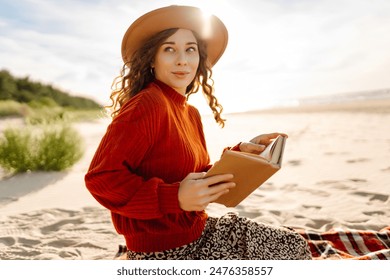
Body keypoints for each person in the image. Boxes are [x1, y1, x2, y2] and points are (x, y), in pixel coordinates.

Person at [85, 5, 311, 260]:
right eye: (169, 49)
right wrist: (174, 197)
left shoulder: (189, 112)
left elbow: (194, 176)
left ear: (199, 58)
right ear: (151, 58)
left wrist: (240, 156)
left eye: (190, 49)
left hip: (199, 231)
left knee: (293, 244)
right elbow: (101, 178)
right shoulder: (147, 104)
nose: (182, 59)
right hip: (163, 252)